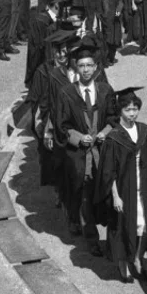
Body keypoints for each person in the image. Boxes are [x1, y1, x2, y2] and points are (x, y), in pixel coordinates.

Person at [94, 87, 147, 282]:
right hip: (124, 189)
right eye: (127, 110)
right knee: (123, 227)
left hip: (143, 186)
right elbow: (109, 172)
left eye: (135, 109)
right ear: (120, 112)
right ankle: (123, 264)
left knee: (145, 227)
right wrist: (115, 196)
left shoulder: (143, 130)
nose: (132, 114)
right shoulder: (114, 137)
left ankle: (137, 259)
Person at [54, 43, 116, 257]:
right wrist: (79, 138)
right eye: (81, 65)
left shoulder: (106, 91)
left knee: (109, 197)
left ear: (97, 67)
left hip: (104, 153)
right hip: (80, 156)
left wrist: (105, 133)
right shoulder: (66, 93)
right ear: (75, 68)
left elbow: (114, 118)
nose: (86, 69)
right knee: (85, 197)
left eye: (90, 65)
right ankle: (92, 239)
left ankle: (112, 240)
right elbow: (61, 126)